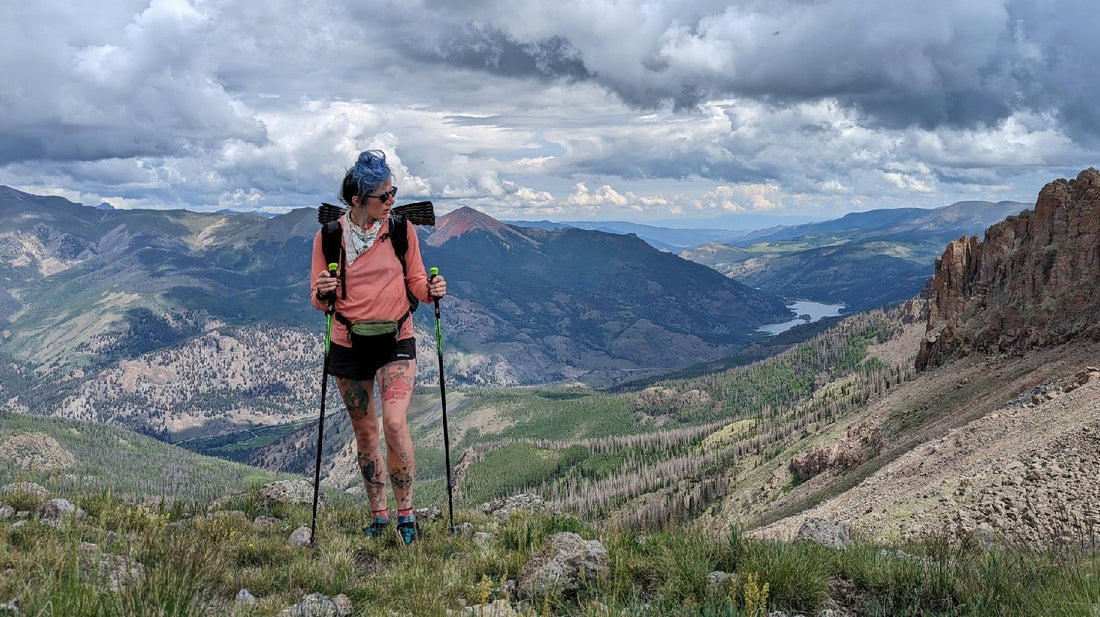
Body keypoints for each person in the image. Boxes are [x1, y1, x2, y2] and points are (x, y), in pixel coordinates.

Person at [310, 149, 446, 545]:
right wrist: (323, 291)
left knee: (395, 424)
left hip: (396, 339)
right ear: (357, 199)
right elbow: (318, 300)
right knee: (366, 432)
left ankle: (407, 516)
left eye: (393, 192)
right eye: (383, 196)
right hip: (348, 342)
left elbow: (416, 281)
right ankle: (379, 516)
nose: (391, 201)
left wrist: (431, 290)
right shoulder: (329, 237)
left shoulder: (402, 230)